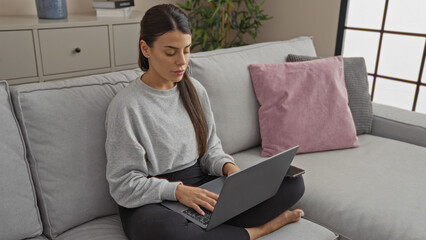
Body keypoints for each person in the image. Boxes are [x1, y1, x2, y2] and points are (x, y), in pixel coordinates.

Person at [105, 4, 305, 240]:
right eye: (171, 52)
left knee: (293, 183)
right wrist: (178, 192)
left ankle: (211, 230)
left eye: (187, 50)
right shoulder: (127, 106)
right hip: (154, 198)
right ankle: (257, 231)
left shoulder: (194, 90)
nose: (182, 61)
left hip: (202, 184)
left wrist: (231, 171)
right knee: (166, 232)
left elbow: (210, 150)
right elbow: (124, 184)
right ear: (145, 48)